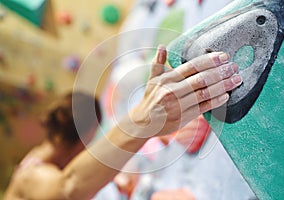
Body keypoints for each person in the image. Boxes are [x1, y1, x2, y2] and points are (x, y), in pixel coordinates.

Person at [4, 45, 242, 200]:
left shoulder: (40, 155)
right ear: (82, 138)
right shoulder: (33, 178)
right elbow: (69, 188)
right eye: (91, 143)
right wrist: (142, 120)